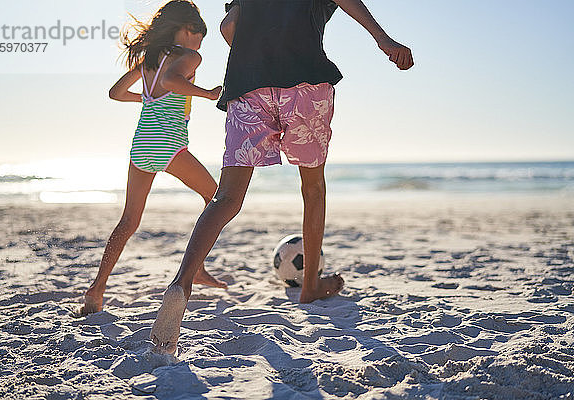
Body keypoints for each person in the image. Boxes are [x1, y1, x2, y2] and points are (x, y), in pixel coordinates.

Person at [150, 0, 414, 353]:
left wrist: (259, 53)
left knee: (226, 198)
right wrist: (383, 39)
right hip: (305, 82)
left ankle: (181, 284)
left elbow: (229, 26)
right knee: (313, 187)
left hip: (247, 85)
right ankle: (309, 287)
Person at [79, 0, 225, 316]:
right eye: (200, 34)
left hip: (141, 143)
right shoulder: (189, 56)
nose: (201, 43)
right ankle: (196, 268)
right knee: (216, 196)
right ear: (187, 30)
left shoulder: (148, 60)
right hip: (169, 143)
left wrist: (146, 97)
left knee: (129, 220)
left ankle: (97, 289)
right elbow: (173, 82)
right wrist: (209, 94)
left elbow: (115, 93)